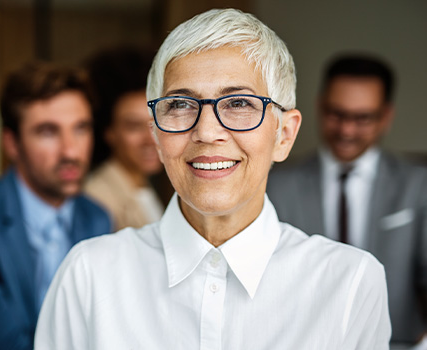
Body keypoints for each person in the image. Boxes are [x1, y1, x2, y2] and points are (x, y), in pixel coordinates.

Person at [35, 8, 391, 349]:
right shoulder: (88, 276)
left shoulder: (350, 284)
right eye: (179, 104)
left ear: (283, 134)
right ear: (157, 137)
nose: (207, 132)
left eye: (238, 104)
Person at [267, 55, 427, 348]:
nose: (346, 130)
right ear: (319, 107)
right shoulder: (278, 183)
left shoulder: (419, 183)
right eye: (336, 114)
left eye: (362, 118)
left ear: (386, 116)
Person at [0, 62, 111, 350]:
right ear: (12, 144)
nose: (70, 151)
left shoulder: (97, 219)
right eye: (48, 132)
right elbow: (5, 342)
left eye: (81, 129)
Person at [84, 46, 165, 230]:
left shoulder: (142, 186)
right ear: (108, 132)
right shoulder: (98, 198)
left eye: (155, 122)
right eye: (134, 126)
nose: (151, 138)